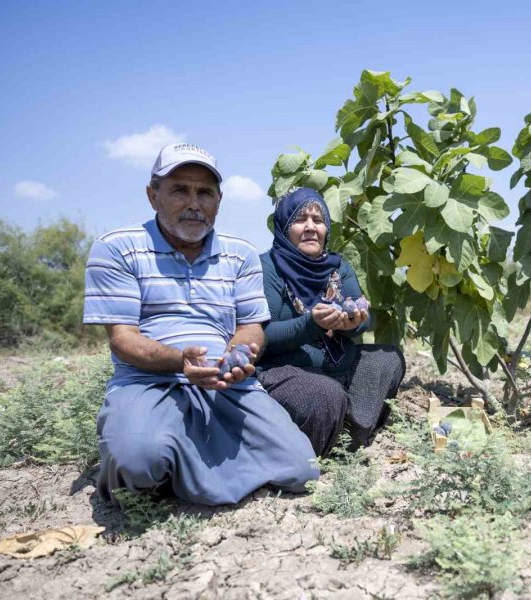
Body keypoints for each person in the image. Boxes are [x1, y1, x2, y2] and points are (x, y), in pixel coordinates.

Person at [83, 143, 318, 506]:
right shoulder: (117, 248)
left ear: (219, 200)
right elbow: (123, 338)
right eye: (180, 189)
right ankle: (147, 451)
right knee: (138, 462)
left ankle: (174, 464)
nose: (194, 203)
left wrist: (239, 355)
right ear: (153, 195)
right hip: (147, 381)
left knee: (302, 469)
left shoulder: (240, 254)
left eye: (205, 192)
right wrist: (180, 361)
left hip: (224, 381)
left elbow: (250, 326)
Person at [255, 187, 405, 457]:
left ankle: (345, 433)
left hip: (339, 367)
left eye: (319, 220)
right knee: (325, 395)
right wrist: (310, 325)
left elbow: (361, 314)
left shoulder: (338, 267)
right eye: (300, 220)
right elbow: (263, 336)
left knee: (388, 358)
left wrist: (353, 324)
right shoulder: (268, 268)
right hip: (286, 373)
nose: (311, 227)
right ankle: (313, 447)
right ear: (284, 226)